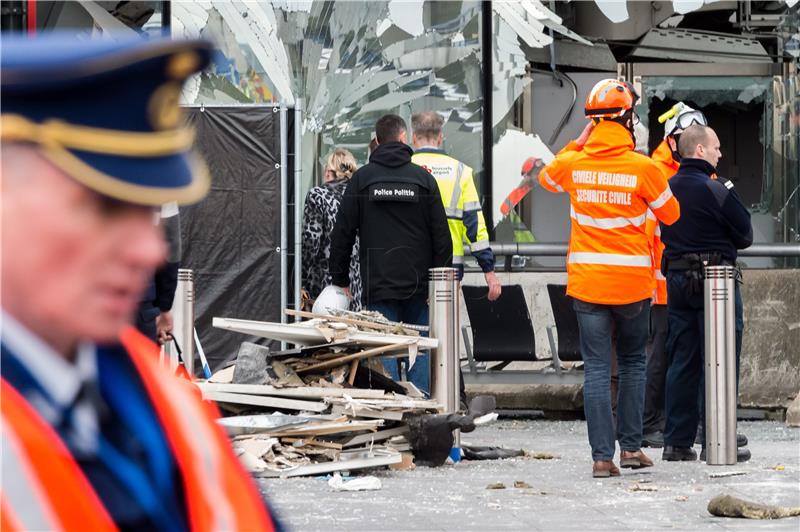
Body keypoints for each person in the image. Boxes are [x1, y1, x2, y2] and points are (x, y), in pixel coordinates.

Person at [0, 34, 279, 530]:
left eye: (145, 214)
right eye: (104, 208)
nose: (149, 251)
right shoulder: (156, 398)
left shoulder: (162, 400)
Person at [538, 79, 680, 478]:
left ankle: (603, 458)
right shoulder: (644, 168)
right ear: (627, 120)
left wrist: (579, 143)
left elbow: (547, 177)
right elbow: (672, 216)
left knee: (598, 368)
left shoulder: (576, 163)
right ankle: (632, 449)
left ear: (594, 122)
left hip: (587, 283)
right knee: (634, 362)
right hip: (633, 286)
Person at [329, 114, 452, 394]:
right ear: (403, 138)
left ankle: (390, 416)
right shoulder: (423, 180)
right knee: (417, 350)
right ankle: (420, 416)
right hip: (418, 288)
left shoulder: (362, 180)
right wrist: (436, 284)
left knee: (383, 355)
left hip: (378, 285)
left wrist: (340, 278)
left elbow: (342, 233)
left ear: (377, 140)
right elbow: (442, 239)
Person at [660, 124, 753, 463]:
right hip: (716, 282)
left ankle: (677, 442)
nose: (720, 153)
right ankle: (717, 438)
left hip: (678, 281)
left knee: (682, 360)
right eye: (715, 147)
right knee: (721, 358)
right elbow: (745, 233)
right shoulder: (715, 189)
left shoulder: (667, 187)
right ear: (700, 151)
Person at [641, 103, 709, 448]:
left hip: (684, 280)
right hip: (663, 283)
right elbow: (649, 232)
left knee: (687, 355)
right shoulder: (657, 171)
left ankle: (687, 423)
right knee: (662, 355)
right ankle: (651, 421)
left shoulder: (690, 172)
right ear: (671, 141)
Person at [410, 111, 501, 301]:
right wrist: (488, 269)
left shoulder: (404, 168)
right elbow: (474, 225)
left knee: (408, 327)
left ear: (413, 137)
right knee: (444, 327)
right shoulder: (460, 172)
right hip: (448, 269)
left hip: (408, 266)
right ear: (440, 137)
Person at [302, 148, 362, 311]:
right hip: (356, 287)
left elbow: (310, 244)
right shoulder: (360, 197)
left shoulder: (318, 195)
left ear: (329, 172)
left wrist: (301, 281)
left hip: (325, 285)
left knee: (323, 333)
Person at [137, 202, 182, 345]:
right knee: (136, 366)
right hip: (139, 299)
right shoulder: (160, 181)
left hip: (83, 297)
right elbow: (170, 244)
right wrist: (164, 306)